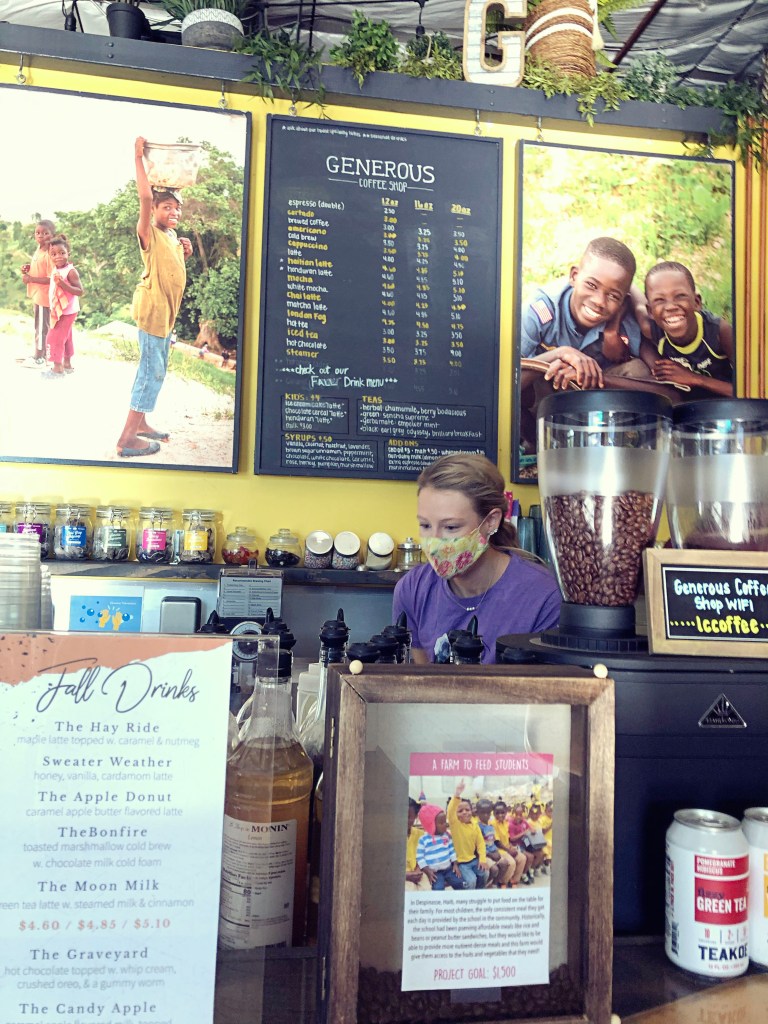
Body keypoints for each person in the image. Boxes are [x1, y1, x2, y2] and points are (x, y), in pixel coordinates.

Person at [392, 453, 561, 663]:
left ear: (491, 521)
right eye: (425, 525)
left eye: (451, 527)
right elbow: (423, 676)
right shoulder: (412, 589)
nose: (434, 542)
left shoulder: (544, 596)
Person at [518, 237, 646, 452]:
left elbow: (663, 388)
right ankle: (532, 445)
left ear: (624, 301)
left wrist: (613, 329)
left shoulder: (626, 322)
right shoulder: (542, 308)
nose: (599, 301)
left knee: (637, 369)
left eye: (613, 296)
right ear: (574, 276)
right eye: (591, 285)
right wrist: (558, 354)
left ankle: (621, 448)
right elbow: (503, 383)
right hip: (543, 405)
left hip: (595, 408)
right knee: (522, 378)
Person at [116, 136, 192, 458]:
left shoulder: (172, 237)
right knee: (151, 373)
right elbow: (145, 196)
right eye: (166, 207)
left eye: (177, 207)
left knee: (155, 371)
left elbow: (171, 269)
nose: (173, 212)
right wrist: (138, 158)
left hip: (165, 316)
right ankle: (126, 439)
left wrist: (185, 250)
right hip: (152, 313)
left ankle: (142, 424)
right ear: (154, 211)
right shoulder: (148, 232)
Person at [636, 261, 734, 397]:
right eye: (659, 300)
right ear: (650, 311)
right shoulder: (652, 331)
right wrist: (655, 366)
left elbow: (751, 390)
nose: (670, 307)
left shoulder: (719, 332)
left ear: (697, 302)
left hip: (726, 403)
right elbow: (643, 341)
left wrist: (696, 379)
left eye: (680, 296)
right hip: (686, 403)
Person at [43, 236, 83, 379]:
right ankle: (67, 364)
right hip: (60, 310)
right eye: (53, 254)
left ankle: (57, 369)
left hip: (67, 312)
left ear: (68, 254)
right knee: (66, 336)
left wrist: (63, 285)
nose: (58, 256)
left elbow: (80, 291)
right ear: (50, 256)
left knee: (54, 338)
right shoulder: (56, 269)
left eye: (62, 253)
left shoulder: (71, 271)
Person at [20, 219, 55, 366]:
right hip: (37, 294)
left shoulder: (49, 253)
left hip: (44, 296)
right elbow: (39, 267)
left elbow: (52, 278)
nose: (41, 236)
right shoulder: (39, 249)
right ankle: (41, 355)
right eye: (38, 233)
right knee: (39, 325)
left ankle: (39, 357)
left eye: (45, 233)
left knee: (41, 327)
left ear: (53, 235)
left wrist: (31, 279)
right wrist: (29, 268)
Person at [446, 781, 489, 890]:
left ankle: (479, 892)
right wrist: (457, 794)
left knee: (485, 873)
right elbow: (450, 812)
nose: (464, 812)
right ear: (456, 814)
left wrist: (482, 859)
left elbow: (480, 843)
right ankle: (469, 897)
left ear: (471, 811)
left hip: (473, 860)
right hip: (462, 863)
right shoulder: (455, 824)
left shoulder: (475, 825)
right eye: (460, 811)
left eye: (467, 810)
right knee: (471, 881)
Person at [415, 803, 465, 891]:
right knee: (438, 888)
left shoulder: (446, 836)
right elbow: (420, 857)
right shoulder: (423, 840)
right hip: (435, 872)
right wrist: (427, 870)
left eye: (445, 821)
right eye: (441, 823)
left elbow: (451, 850)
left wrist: (455, 864)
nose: (445, 824)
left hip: (449, 869)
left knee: (460, 882)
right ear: (431, 825)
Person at [492, 800, 528, 886]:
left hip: (507, 847)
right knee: (511, 863)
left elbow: (507, 838)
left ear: (506, 812)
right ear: (493, 813)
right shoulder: (493, 824)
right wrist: (508, 850)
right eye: (497, 813)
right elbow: (497, 842)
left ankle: (514, 880)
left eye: (502, 812)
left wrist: (511, 847)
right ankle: (503, 882)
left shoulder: (505, 823)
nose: (500, 815)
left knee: (522, 858)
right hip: (499, 850)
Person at [405, 797, 431, 892]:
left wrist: (418, 870)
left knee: (427, 890)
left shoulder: (421, 835)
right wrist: (406, 875)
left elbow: (424, 855)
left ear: (416, 816)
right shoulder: (390, 837)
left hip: (418, 872)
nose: (404, 820)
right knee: (410, 891)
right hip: (399, 876)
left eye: (408, 817)